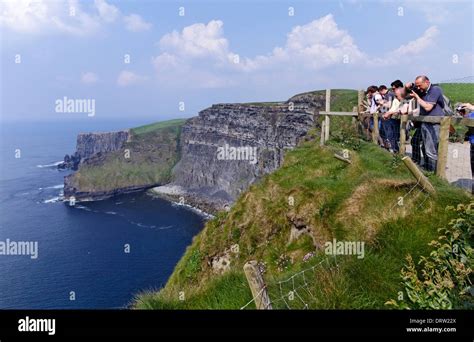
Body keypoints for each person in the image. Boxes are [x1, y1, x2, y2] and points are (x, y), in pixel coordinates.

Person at [406, 75, 445, 171]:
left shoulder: (435, 90)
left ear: (427, 82)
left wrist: (417, 98)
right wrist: (408, 87)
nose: (418, 88)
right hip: (425, 122)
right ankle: (428, 168)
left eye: (420, 85)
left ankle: (433, 173)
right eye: (417, 86)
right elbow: (405, 95)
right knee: (425, 148)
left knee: (431, 151)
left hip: (434, 124)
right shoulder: (423, 90)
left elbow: (428, 107)